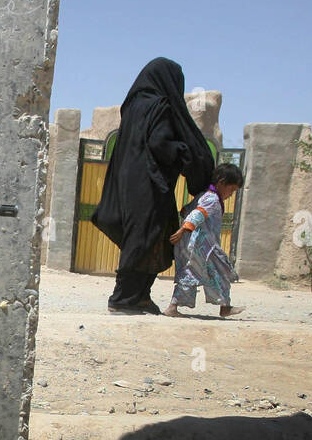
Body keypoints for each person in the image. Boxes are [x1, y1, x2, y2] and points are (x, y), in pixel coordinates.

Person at [91, 57, 216, 315]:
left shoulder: (133, 106)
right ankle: (123, 298)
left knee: (147, 237)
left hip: (128, 184)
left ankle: (140, 297)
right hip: (149, 185)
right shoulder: (161, 106)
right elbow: (160, 143)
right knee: (147, 237)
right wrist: (185, 153)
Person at [163, 163, 245, 317]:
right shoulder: (212, 199)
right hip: (203, 248)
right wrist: (182, 230)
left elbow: (186, 210)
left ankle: (223, 307)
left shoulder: (204, 195)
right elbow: (197, 214)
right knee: (215, 273)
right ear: (221, 183)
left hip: (201, 247)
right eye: (231, 190)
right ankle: (174, 307)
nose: (231, 194)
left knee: (201, 273)